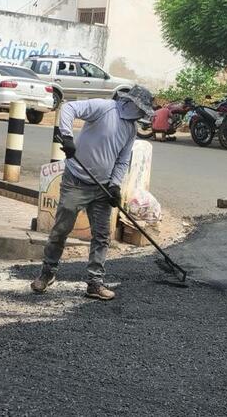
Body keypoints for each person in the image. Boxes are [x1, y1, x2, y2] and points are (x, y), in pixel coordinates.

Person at [30, 85, 155, 300]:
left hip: (102, 187)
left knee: (102, 235)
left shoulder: (131, 129)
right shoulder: (104, 108)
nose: (143, 115)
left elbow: (123, 159)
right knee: (61, 229)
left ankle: (95, 282)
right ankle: (47, 272)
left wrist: (114, 185)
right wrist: (67, 137)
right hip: (76, 180)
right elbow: (69, 108)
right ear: (132, 104)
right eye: (142, 110)